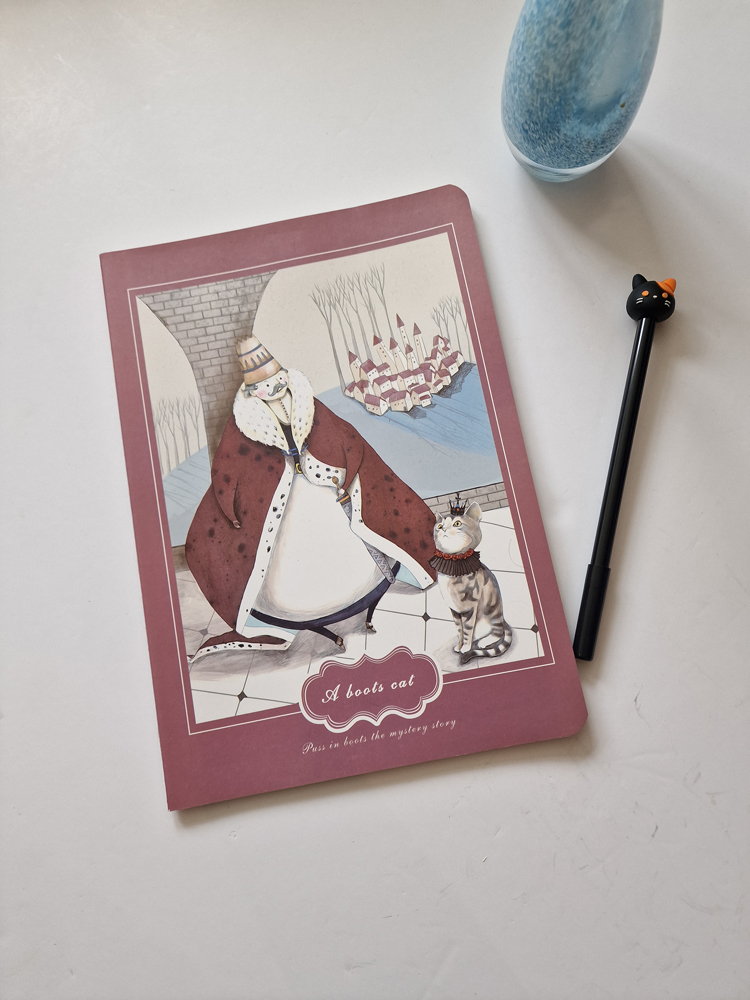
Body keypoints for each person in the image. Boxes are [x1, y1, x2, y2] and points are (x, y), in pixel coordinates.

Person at [185, 334, 437, 660]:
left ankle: (363, 592)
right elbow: (226, 468)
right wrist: (229, 508)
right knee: (290, 557)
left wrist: (343, 472)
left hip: (322, 487)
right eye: (265, 386)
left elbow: (345, 437)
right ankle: (298, 613)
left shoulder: (307, 403)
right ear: (252, 392)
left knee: (348, 541)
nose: (274, 389)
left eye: (277, 381)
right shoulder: (245, 423)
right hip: (282, 502)